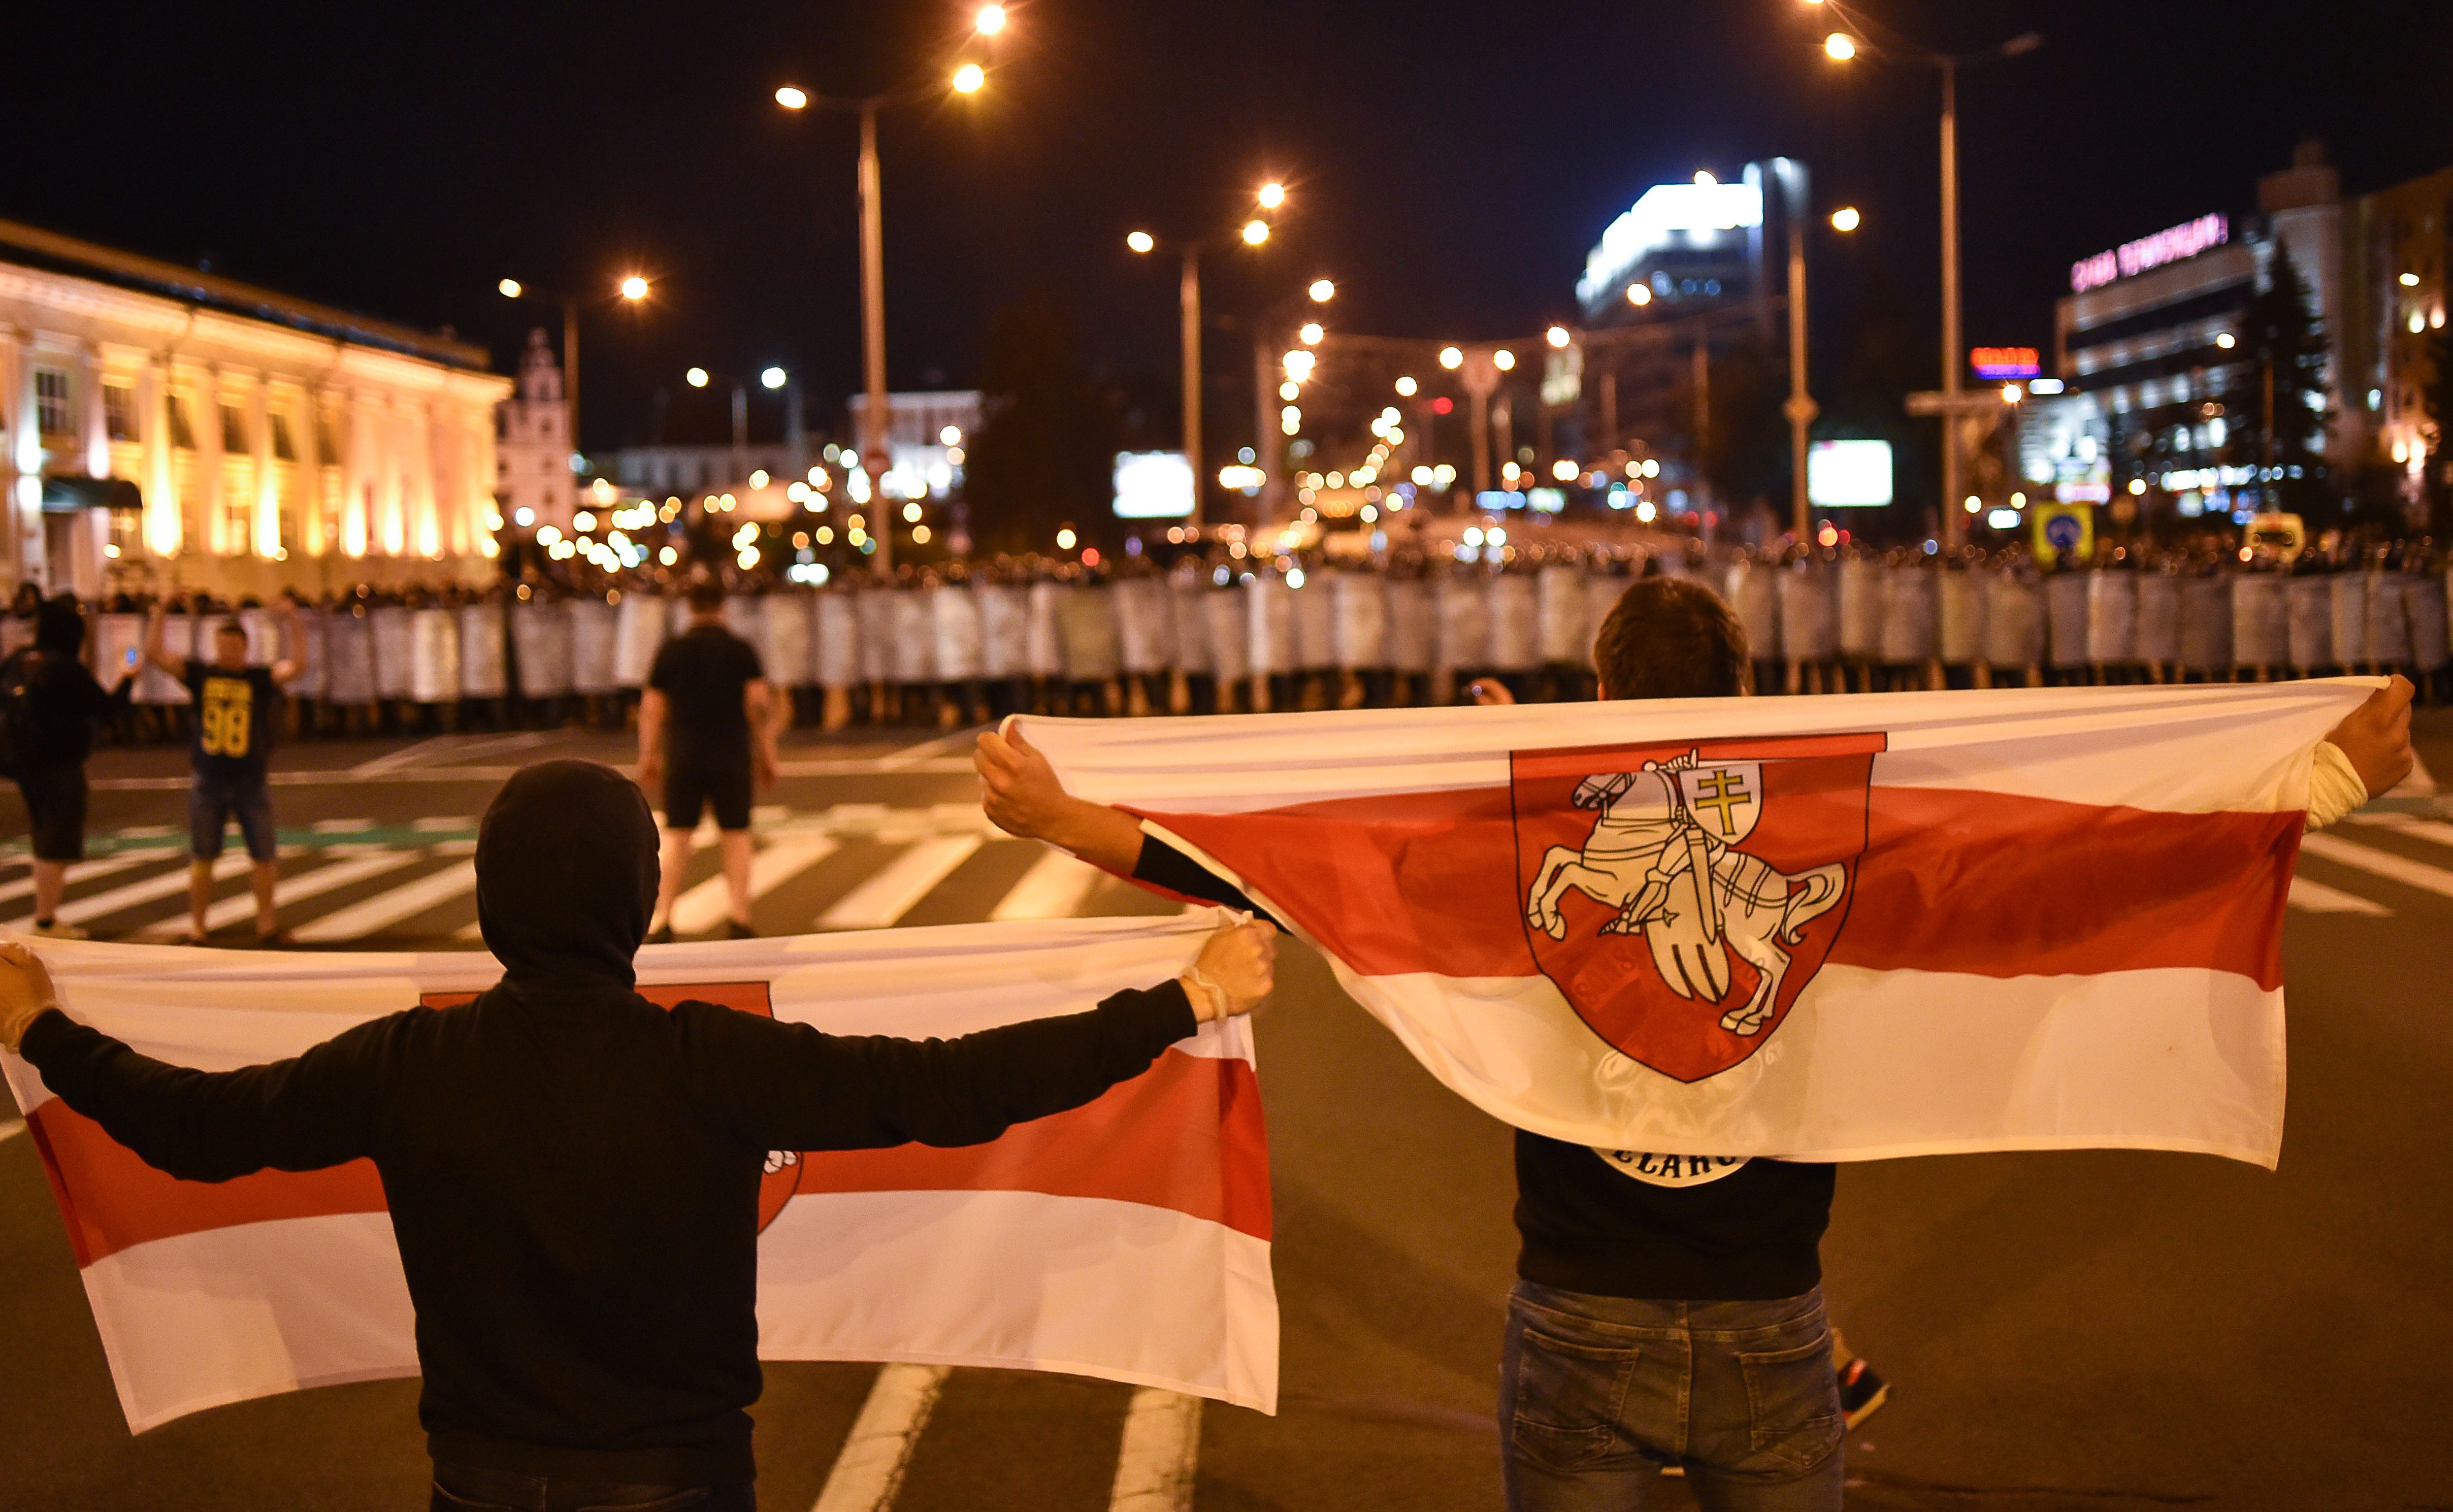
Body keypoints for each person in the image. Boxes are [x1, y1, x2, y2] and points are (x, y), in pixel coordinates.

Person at [975, 574, 2414, 1512]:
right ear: (1743, 683)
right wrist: (2325, 781)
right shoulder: (1848, 835)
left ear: (1603, 693)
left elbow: (1279, 861)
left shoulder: (1523, 836)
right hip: (1772, 1323)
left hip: (1575, 1312)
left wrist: (1064, 815)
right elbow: (2054, 867)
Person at [0, 758, 1276, 1510]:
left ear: (493, 900)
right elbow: (948, 1089)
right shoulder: (705, 1060)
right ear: (642, 899)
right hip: (678, 1478)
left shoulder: (410, 1061)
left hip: (481, 1479)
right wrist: (1185, 997)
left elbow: (196, 1130)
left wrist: (42, 1031)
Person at [143, 593, 301, 944]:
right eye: (223, 645)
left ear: (245, 648)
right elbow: (157, 655)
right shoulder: (202, 675)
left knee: (263, 855)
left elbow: (297, 665)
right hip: (209, 778)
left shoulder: (257, 679)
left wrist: (292, 620)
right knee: (203, 855)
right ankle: (198, 926)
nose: (228, 652)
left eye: (234, 646)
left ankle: (267, 924)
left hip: (250, 779)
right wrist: (162, 609)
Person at [640, 581, 780, 942]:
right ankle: (739, 916)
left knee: (677, 836)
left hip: (683, 753)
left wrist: (648, 755)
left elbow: (653, 709)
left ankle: (664, 917)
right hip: (731, 753)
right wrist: (767, 753)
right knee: (735, 834)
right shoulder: (740, 650)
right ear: (722, 606)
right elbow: (758, 704)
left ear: (689, 607)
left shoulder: (671, 651)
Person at [2, 598, 137, 938]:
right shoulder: (65, 668)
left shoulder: (19, 661)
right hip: (59, 764)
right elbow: (107, 708)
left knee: (42, 835)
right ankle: (45, 920)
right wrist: (128, 676)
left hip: (21, 762)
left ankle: (45, 914)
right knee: (57, 840)